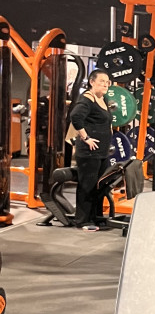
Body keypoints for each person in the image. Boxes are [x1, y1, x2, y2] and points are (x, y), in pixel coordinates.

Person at [68, 69, 113, 230]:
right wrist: (86, 138)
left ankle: (96, 217)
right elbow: (75, 116)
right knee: (87, 186)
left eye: (107, 82)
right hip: (89, 152)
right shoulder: (87, 98)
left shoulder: (103, 99)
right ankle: (82, 221)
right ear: (92, 82)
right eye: (101, 81)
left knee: (99, 186)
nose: (105, 84)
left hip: (102, 152)